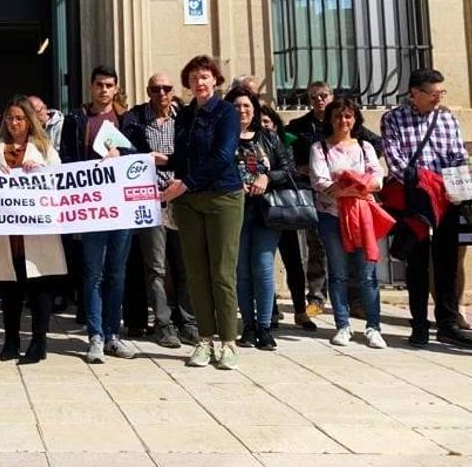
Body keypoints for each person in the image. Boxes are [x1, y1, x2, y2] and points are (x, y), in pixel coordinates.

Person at [381, 68, 472, 349]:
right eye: (433, 93)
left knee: (447, 262)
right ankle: (419, 325)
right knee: (417, 263)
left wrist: (455, 181)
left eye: (441, 93)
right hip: (415, 199)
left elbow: (458, 154)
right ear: (415, 92)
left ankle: (448, 323)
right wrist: (424, 184)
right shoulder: (394, 118)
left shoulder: (447, 118)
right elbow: (396, 162)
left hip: (446, 198)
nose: (438, 98)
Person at [161, 56, 243, 371]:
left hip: (223, 195)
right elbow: (181, 156)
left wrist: (185, 184)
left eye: (205, 76)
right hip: (189, 200)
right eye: (194, 77)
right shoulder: (184, 115)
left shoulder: (226, 113)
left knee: (222, 272)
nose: (200, 82)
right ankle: (204, 339)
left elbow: (223, 156)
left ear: (216, 80)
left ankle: (229, 342)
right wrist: (161, 162)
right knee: (195, 272)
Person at [60, 65, 141, 363]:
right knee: (93, 273)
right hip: (92, 207)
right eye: (99, 85)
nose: (104, 90)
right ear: (91, 87)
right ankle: (95, 335)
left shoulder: (128, 120)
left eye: (109, 85)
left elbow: (140, 155)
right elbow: (66, 158)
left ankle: (112, 335)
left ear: (116, 87)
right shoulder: (77, 119)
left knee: (116, 273)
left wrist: (123, 154)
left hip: (121, 207)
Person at [0, 96, 66, 364]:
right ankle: (10, 341)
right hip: (6, 231)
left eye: (19, 118)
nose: (14, 123)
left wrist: (40, 171)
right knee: (10, 287)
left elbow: (60, 183)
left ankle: (39, 342)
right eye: (10, 118)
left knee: (39, 284)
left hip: (35, 230)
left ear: (29, 121)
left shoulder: (45, 149)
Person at [308, 97, 388, 349]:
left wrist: (349, 186)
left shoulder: (365, 147)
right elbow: (320, 182)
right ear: (330, 120)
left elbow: (378, 178)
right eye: (338, 116)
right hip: (332, 216)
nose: (343, 121)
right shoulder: (320, 148)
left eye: (348, 116)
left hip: (363, 217)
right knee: (338, 273)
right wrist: (356, 187)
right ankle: (343, 325)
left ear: (355, 119)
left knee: (367, 274)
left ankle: (373, 326)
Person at [129, 73, 197, 348]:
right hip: (151, 200)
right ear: (148, 91)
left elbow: (191, 155)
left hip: (181, 199)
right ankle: (163, 323)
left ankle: (188, 321)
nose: (161, 93)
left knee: (184, 264)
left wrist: (166, 160)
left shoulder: (184, 119)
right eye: (155, 89)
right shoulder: (135, 121)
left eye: (166, 89)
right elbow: (129, 153)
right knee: (155, 267)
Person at [226, 87, 296, 351]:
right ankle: (248, 326)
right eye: (235, 106)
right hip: (236, 210)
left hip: (267, 211)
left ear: (254, 108)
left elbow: (287, 168)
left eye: (246, 106)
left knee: (264, 267)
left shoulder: (268, 137)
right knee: (242, 270)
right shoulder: (224, 137)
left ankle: (265, 326)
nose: (241, 111)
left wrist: (267, 178)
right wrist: (234, 183)